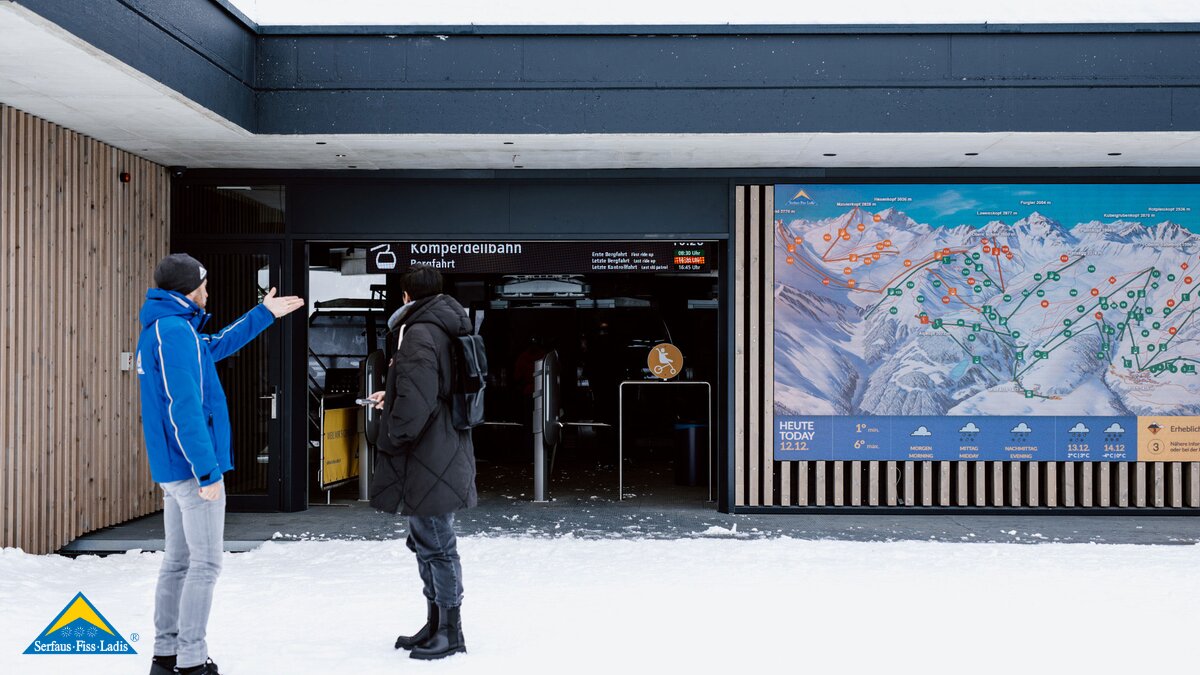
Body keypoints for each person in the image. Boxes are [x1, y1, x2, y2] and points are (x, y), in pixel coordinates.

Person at [136, 253, 304, 675]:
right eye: (204, 286)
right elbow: (183, 408)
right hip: (193, 471)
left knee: (178, 561)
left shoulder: (170, 330)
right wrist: (207, 471)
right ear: (187, 289)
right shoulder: (173, 332)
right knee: (205, 564)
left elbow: (217, 345)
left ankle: (166, 654)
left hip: (177, 469)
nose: (208, 292)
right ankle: (191, 660)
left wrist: (262, 314)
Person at [368, 264, 476, 661]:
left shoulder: (417, 332)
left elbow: (417, 402)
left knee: (435, 543)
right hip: (444, 444)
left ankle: (450, 632)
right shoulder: (446, 326)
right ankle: (435, 624)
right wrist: (390, 394)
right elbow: (431, 388)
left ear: (406, 296)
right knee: (428, 540)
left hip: (426, 453)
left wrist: (393, 433)